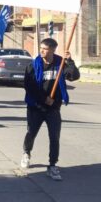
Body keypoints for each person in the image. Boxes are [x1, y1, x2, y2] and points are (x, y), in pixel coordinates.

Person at [21, 38, 80, 181]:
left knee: (54, 137)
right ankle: (26, 153)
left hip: (53, 108)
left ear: (53, 49)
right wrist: (43, 99)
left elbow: (73, 76)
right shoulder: (33, 65)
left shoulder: (60, 64)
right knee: (31, 133)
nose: (42, 51)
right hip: (36, 107)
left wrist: (70, 61)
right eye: (41, 48)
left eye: (45, 48)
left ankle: (52, 165)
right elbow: (29, 86)